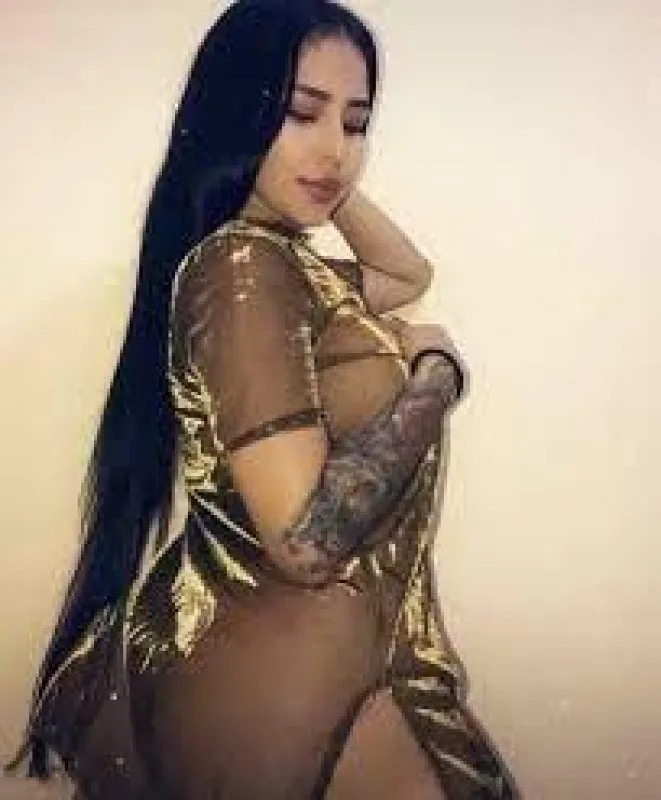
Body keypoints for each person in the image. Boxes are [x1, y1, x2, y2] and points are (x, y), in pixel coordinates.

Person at [5, 1, 519, 797]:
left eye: (355, 122)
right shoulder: (244, 269)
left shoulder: (285, 265)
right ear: (233, 117)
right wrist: (435, 378)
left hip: (308, 669)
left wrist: (313, 171)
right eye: (300, 111)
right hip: (286, 695)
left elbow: (406, 274)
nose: (336, 146)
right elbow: (304, 542)